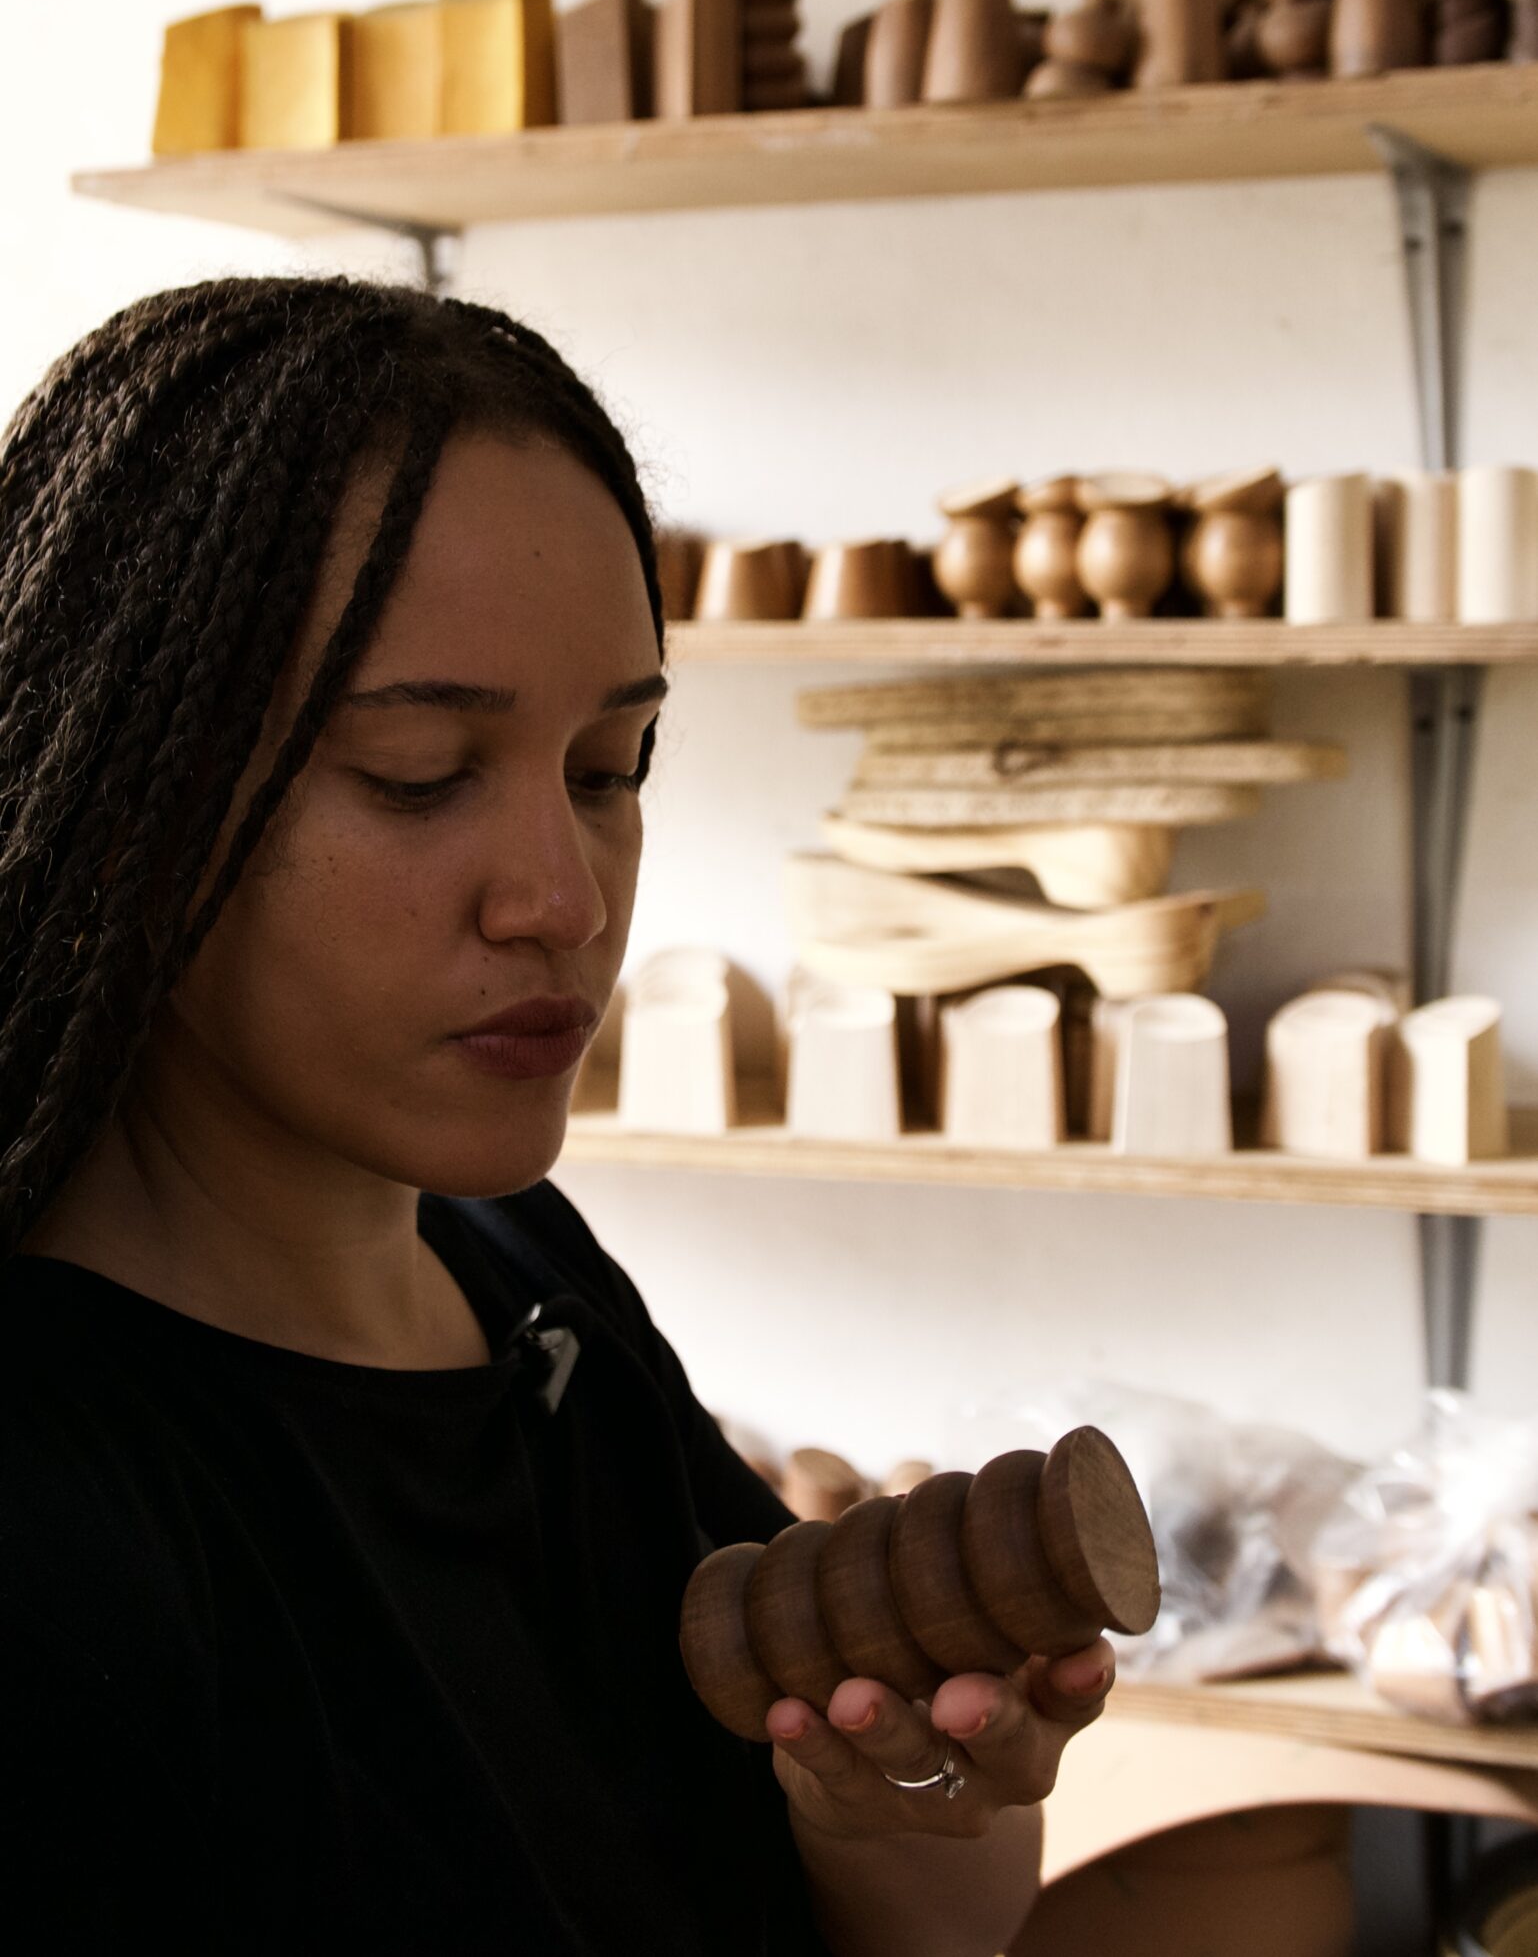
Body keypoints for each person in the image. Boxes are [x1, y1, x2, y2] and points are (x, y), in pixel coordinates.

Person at [0, 277, 1112, 1955]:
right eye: (420, 775)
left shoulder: (522, 1277)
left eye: (610, 770)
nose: (562, 900)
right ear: (116, 793)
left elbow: (898, 1926)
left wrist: (912, 1809)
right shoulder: (56, 1510)